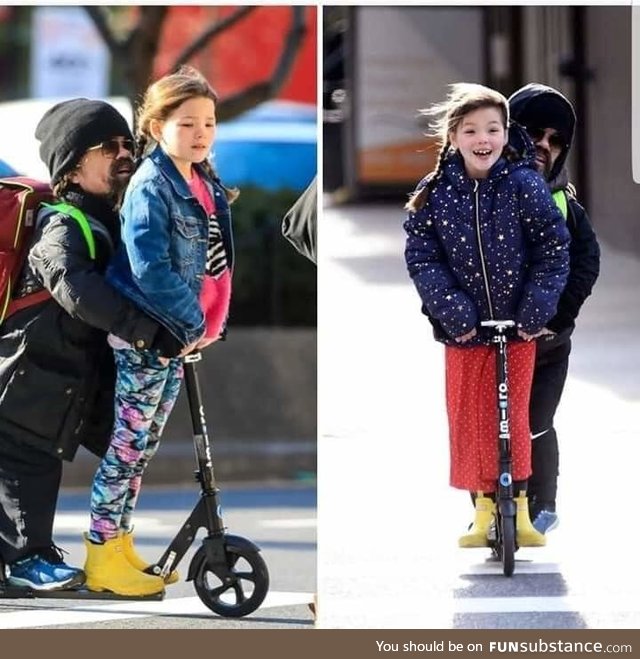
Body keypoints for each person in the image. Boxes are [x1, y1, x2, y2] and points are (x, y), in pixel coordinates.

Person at [0, 99, 168, 590]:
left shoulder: (114, 220)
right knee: (26, 464)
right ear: (72, 167)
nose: (124, 154)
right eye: (106, 147)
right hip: (28, 376)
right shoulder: (62, 222)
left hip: (60, 380)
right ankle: (25, 560)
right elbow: (69, 282)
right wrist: (141, 328)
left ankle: (31, 552)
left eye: (127, 144)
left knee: (37, 462)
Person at [82, 66, 236, 596]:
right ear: (157, 125)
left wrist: (209, 323)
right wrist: (193, 321)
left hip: (180, 337)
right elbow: (150, 270)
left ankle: (120, 546)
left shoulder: (203, 178)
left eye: (209, 123)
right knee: (126, 449)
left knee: (142, 450)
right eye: (187, 122)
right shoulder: (152, 184)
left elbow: (214, 261)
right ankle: (101, 555)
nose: (200, 133)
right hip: (152, 336)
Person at [403, 83, 570, 548]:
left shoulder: (523, 185)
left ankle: (517, 510)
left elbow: (552, 249)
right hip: (463, 331)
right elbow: (422, 256)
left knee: (512, 417)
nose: (484, 138)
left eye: (493, 129)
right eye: (472, 129)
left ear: (504, 134)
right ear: (453, 137)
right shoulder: (435, 191)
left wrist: (535, 309)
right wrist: (453, 310)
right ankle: (481, 510)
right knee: (469, 417)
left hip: (517, 328)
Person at [508, 83, 600, 534]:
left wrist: (560, 318)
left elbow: (587, 262)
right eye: (533, 134)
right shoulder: (481, 192)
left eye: (555, 140)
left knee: (537, 422)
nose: (544, 146)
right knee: (492, 427)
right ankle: (491, 508)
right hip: (493, 338)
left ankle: (543, 505)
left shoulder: (566, 203)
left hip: (547, 343)